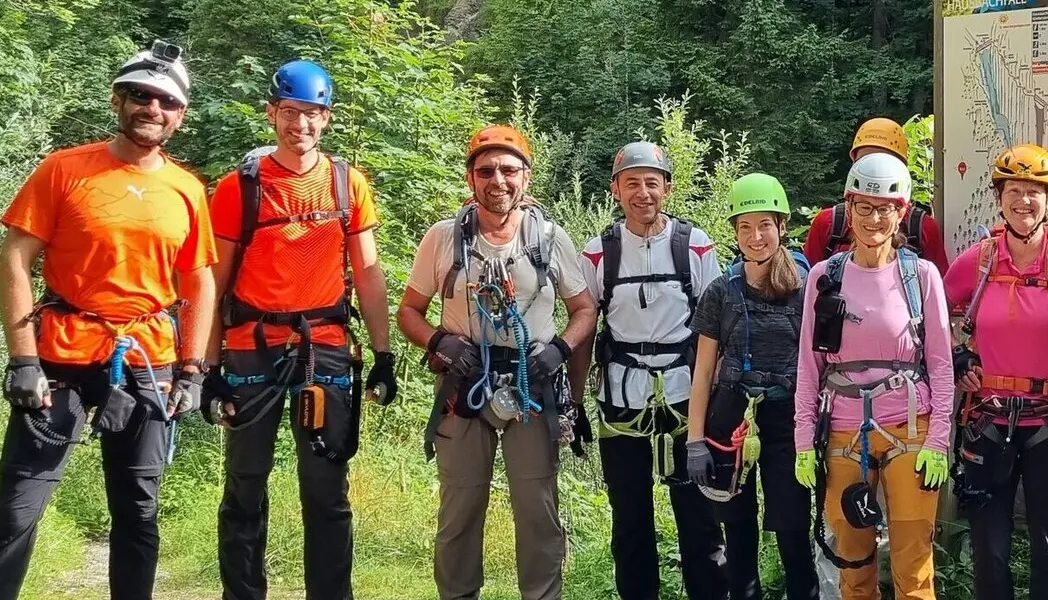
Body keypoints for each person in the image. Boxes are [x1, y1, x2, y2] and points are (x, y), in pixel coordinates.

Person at [0, 39, 212, 600]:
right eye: (140, 95)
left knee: (138, 512)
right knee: (17, 508)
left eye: (166, 101)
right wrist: (23, 358)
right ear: (117, 100)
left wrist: (194, 369)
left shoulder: (187, 189)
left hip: (148, 360)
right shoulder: (64, 169)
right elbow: (15, 258)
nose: (152, 108)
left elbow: (199, 281)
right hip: (61, 356)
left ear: (180, 116)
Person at [203, 59, 398, 600]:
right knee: (245, 484)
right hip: (251, 350)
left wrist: (382, 355)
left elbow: (369, 274)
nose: (301, 125)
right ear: (272, 113)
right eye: (290, 112)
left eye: (312, 113)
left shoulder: (346, 183)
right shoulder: (239, 187)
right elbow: (213, 282)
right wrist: (207, 367)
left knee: (326, 488)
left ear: (327, 117)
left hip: (325, 349)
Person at [395, 124, 595, 600]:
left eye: (509, 170)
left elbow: (585, 309)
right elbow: (408, 311)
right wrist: (439, 342)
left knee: (537, 507)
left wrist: (559, 350)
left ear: (526, 177)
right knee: (460, 508)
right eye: (486, 171)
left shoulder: (548, 238)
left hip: (532, 384)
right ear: (471, 178)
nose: (498, 180)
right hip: (465, 382)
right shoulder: (445, 238)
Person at [793, 152, 956, 600]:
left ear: (901, 212)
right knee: (853, 563)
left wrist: (938, 440)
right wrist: (804, 441)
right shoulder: (825, 277)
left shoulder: (921, 276)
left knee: (913, 562)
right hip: (843, 432)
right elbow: (809, 366)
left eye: (884, 208)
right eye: (863, 207)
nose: (873, 219)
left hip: (910, 430)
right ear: (849, 207)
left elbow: (941, 365)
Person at [575, 141, 729, 600]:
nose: (643, 193)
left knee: (700, 517)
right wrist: (575, 401)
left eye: (652, 183)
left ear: (668, 188)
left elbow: (717, 329)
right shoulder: (599, 253)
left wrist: (720, 401)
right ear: (615, 190)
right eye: (632, 183)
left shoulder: (694, 245)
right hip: (622, 401)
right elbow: (584, 326)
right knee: (630, 521)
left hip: (686, 399)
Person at [946, 143, 1048, 600]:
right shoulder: (980, 261)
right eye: (1014, 190)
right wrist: (958, 355)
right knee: (990, 551)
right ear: (999, 198)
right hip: (988, 419)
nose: (1024, 200)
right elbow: (929, 313)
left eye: (1034, 191)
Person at [684, 173, 821, 600]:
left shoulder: (806, 288)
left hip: (787, 420)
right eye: (745, 226)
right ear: (735, 232)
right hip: (730, 419)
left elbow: (820, 363)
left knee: (793, 535)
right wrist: (694, 440)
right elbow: (703, 372)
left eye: (764, 225)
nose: (755, 236)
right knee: (738, 539)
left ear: (782, 227)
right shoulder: (721, 292)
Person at [803, 118, 950, 271]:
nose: (873, 170)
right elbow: (809, 278)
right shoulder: (829, 224)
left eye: (884, 161)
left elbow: (940, 281)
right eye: (865, 161)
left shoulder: (921, 228)